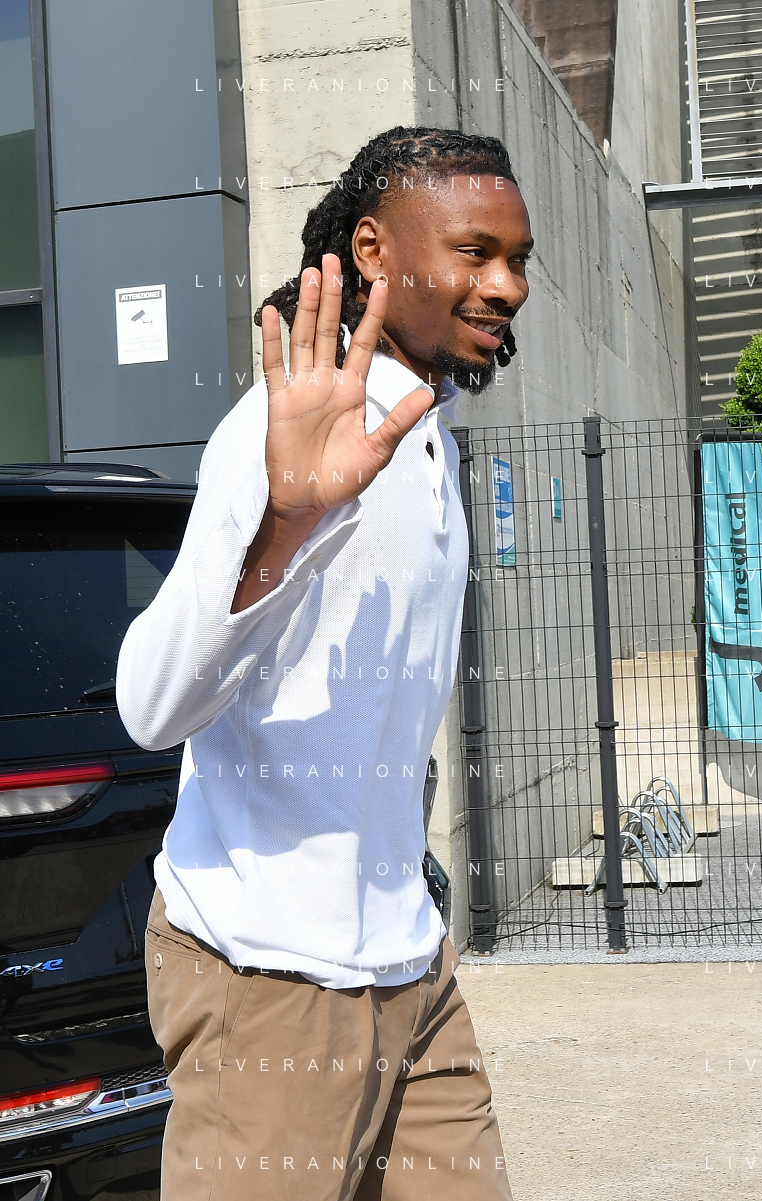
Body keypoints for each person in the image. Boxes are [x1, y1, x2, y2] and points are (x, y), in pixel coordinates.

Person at [116, 125, 533, 1201]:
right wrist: (286, 526)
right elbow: (151, 704)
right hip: (268, 976)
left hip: (410, 966)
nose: (507, 286)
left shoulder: (426, 430)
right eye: (476, 252)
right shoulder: (281, 431)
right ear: (374, 251)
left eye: (517, 259)